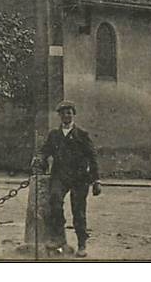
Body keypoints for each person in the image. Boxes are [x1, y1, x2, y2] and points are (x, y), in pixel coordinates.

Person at [35, 100, 101, 258]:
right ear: (60, 116)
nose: (67, 115)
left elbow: (93, 157)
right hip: (60, 176)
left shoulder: (82, 135)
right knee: (55, 200)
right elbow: (45, 151)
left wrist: (96, 180)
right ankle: (59, 237)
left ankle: (82, 244)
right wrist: (39, 159)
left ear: (73, 114)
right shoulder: (54, 135)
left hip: (80, 178)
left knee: (78, 211)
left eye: (69, 112)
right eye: (63, 113)